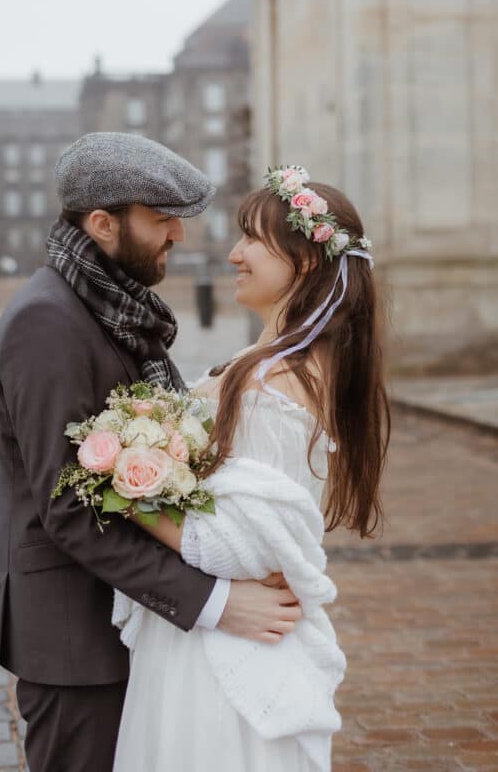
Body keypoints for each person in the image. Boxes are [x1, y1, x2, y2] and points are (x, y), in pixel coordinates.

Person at [0, 135, 303, 772]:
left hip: (131, 625)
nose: (177, 236)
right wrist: (216, 602)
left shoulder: (112, 308)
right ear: (102, 225)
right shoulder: (47, 322)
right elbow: (71, 508)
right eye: (161, 219)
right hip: (77, 643)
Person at [113, 167, 390, 772]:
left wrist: (123, 491)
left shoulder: (279, 382)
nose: (234, 253)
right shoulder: (267, 362)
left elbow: (239, 548)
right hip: (206, 637)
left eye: (252, 239)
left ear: (307, 262)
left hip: (218, 655)